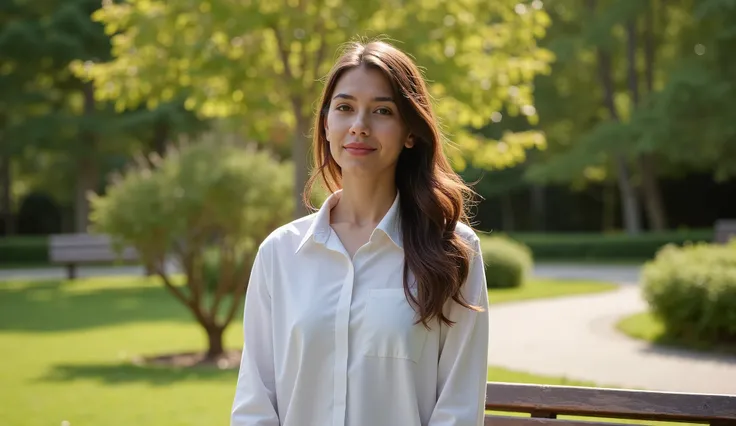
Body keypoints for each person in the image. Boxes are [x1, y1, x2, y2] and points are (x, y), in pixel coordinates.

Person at [231, 39, 490, 426]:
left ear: (409, 132)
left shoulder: (454, 252)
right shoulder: (279, 254)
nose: (359, 126)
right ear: (326, 123)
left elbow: (459, 407)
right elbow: (256, 399)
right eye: (345, 108)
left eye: (382, 111)